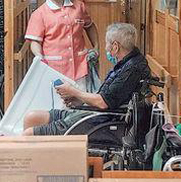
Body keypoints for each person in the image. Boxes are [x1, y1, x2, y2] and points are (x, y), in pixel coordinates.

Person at [22, 23, 150, 136]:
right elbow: (106, 97)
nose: (106, 48)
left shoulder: (131, 69)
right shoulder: (126, 64)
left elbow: (103, 102)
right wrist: (79, 100)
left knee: (28, 134)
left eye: (107, 44)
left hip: (100, 121)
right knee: (32, 118)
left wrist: (73, 91)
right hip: (94, 114)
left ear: (115, 46)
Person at [25, 0, 100, 90]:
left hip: (80, 67)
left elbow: (89, 26)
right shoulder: (39, 14)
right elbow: (35, 41)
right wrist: (39, 56)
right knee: (57, 100)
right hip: (53, 69)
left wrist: (96, 47)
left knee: (81, 98)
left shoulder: (79, 7)